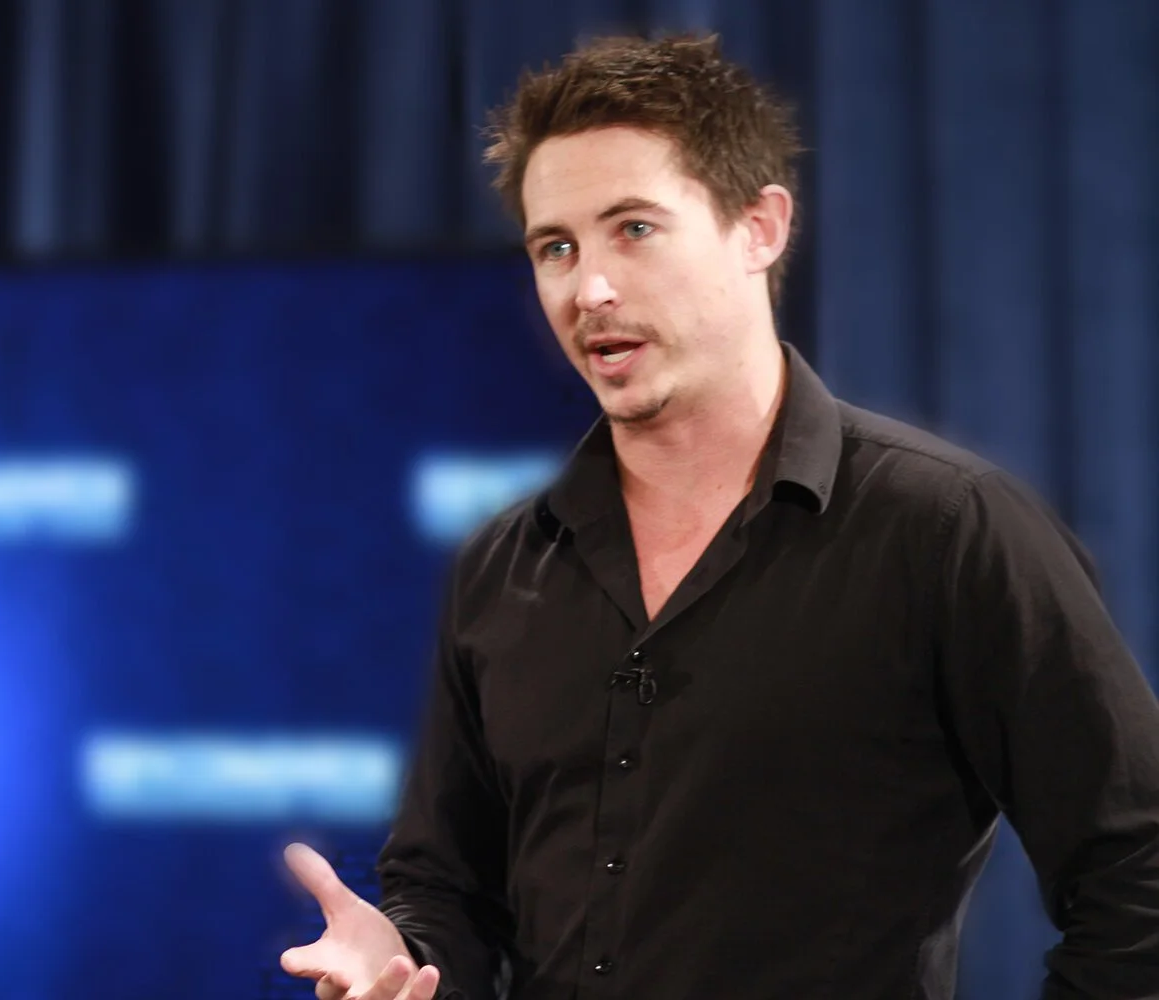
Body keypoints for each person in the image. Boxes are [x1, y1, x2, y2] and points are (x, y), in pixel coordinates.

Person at [278, 32, 1159, 1000]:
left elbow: (1138, 870)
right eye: (556, 247)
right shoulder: (504, 564)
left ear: (761, 227)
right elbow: (449, 883)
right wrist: (405, 959)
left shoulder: (948, 528)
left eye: (635, 229)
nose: (591, 289)